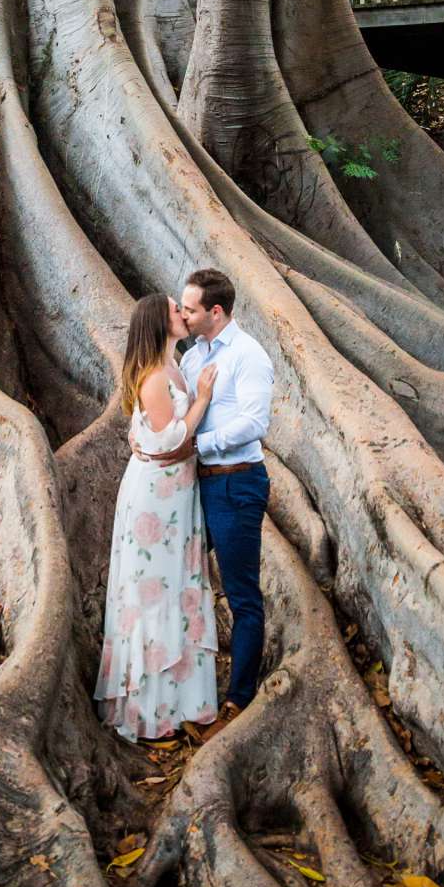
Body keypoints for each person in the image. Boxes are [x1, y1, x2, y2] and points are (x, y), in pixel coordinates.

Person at [95, 291, 220, 744]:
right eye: (175, 310)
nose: (183, 314)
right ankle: (151, 710)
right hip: (156, 500)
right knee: (155, 591)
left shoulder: (175, 365)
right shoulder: (153, 377)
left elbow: (148, 433)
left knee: (177, 587)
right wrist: (202, 399)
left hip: (177, 493)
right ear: (158, 322)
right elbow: (167, 439)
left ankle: (183, 700)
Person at [177, 268, 274, 727]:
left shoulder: (247, 355)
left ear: (215, 311)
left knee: (241, 594)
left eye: (191, 308)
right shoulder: (192, 359)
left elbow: (254, 424)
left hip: (237, 483)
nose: (183, 314)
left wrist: (201, 445)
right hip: (197, 486)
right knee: (178, 577)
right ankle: (180, 683)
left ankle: (239, 697)